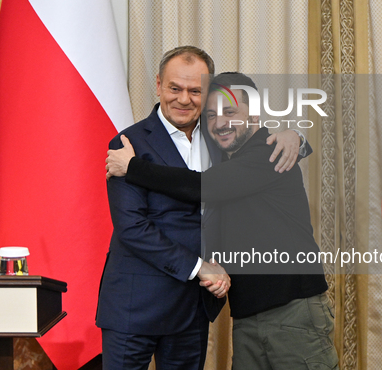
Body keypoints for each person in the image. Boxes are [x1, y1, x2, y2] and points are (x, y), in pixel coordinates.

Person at [106, 72, 339, 369]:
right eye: (212, 114)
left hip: (293, 312)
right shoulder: (226, 157)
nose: (219, 122)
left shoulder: (268, 151)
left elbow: (200, 186)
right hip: (246, 317)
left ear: (253, 113)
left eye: (230, 111)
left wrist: (133, 166)